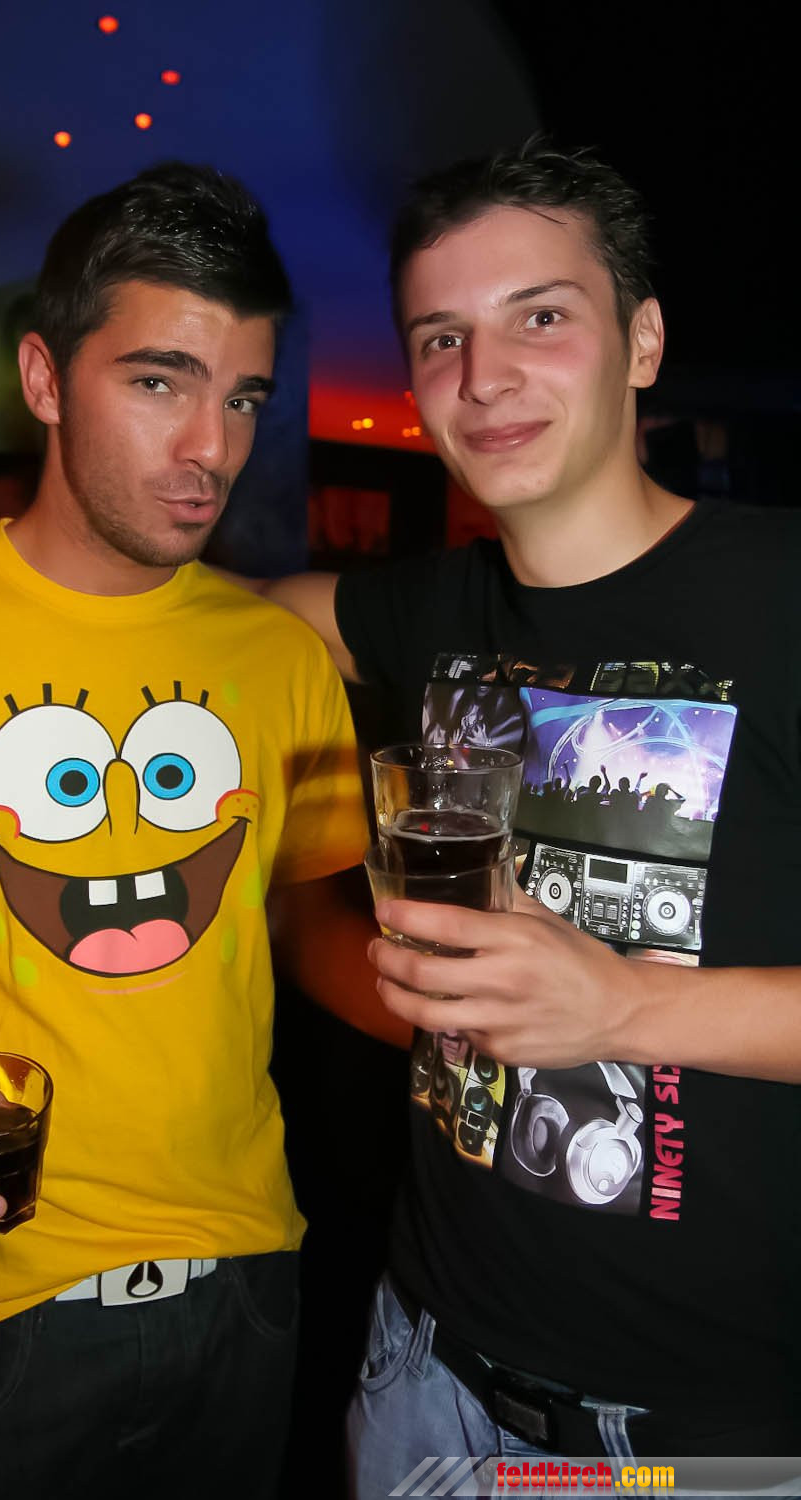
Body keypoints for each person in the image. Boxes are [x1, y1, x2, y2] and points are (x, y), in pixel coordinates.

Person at [0, 162, 367, 1500]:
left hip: (249, 1271)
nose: (212, 448)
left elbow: (305, 922)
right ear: (45, 377)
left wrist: (458, 1014)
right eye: (162, 381)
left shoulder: (281, 658)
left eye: (243, 398)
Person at [258, 140, 801, 1483]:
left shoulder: (780, 593)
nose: (483, 377)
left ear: (644, 342)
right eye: (440, 338)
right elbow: (232, 616)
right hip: (420, 1368)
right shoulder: (426, 605)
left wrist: (626, 1010)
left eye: (540, 318)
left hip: (696, 1435)